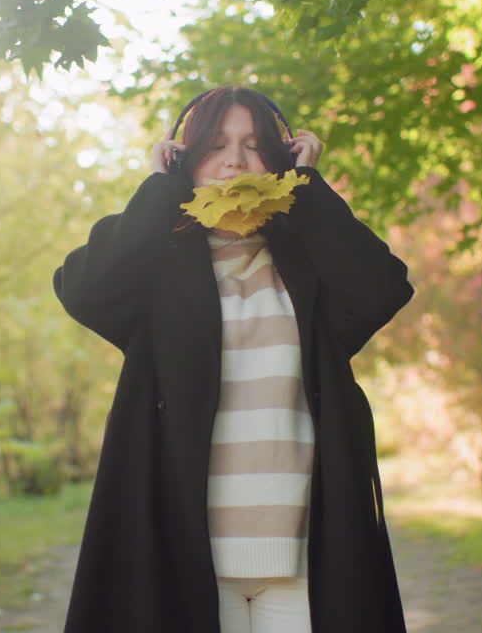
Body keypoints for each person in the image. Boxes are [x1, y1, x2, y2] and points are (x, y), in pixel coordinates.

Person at [52, 86, 413, 633]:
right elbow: (82, 289)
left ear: (280, 160)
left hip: (305, 561)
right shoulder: (156, 272)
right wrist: (159, 189)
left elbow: (384, 288)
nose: (235, 161)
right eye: (215, 146)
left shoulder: (309, 266)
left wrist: (308, 189)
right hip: (184, 560)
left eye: (254, 145)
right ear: (186, 161)